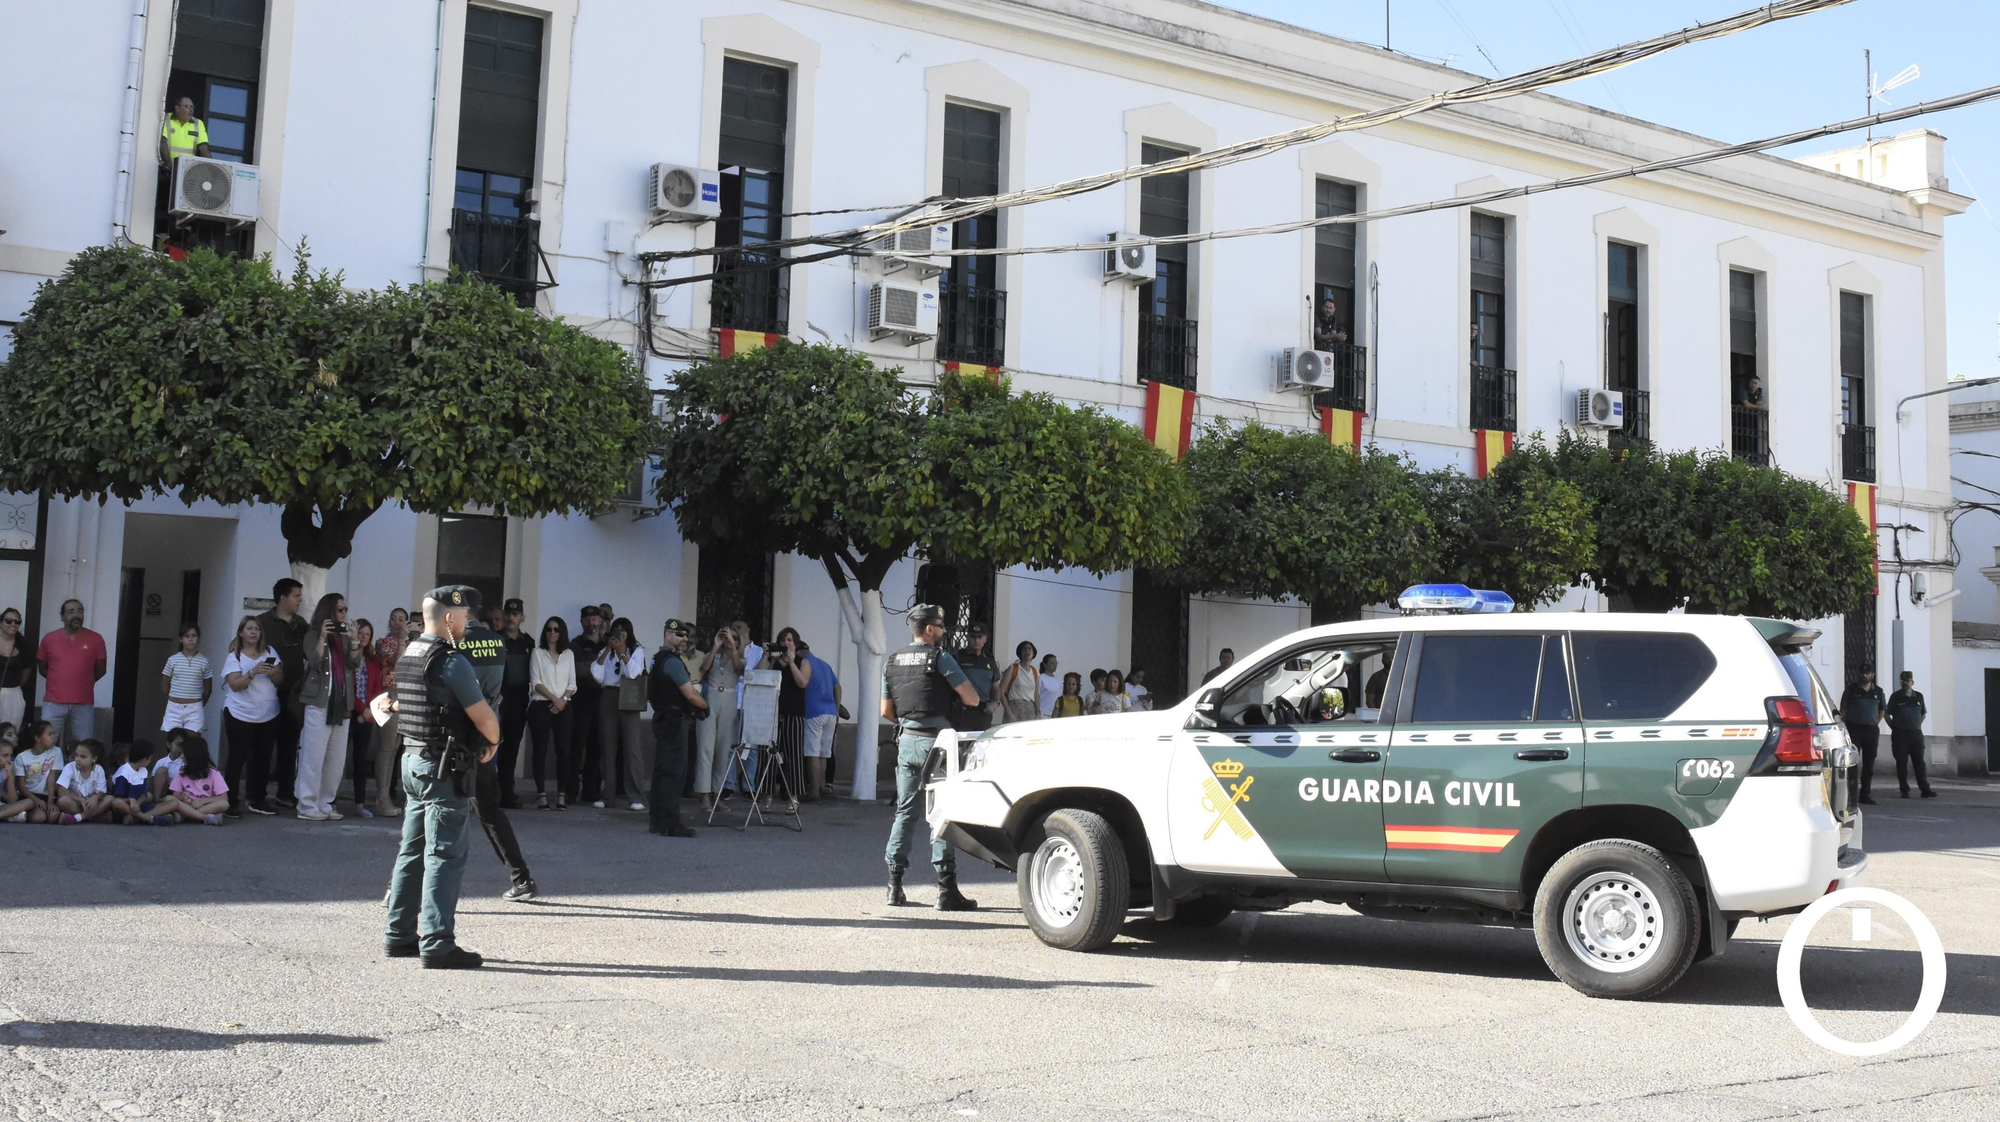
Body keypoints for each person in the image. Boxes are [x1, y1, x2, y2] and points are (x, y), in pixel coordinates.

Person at [379, 586, 503, 969]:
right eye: (464, 615)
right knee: (445, 854)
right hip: (442, 767)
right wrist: (494, 741)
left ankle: (399, 935)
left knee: (412, 850)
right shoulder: (451, 660)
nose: (468, 622)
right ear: (449, 617)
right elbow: (482, 715)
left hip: (413, 761)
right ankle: (437, 942)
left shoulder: (411, 652)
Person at [881, 604, 984, 911]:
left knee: (905, 812)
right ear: (929, 629)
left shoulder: (892, 660)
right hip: (937, 746)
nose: (942, 633)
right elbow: (972, 698)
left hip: (907, 743)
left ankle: (894, 887)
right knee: (942, 814)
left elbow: (886, 711)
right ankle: (946, 890)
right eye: (940, 627)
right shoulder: (941, 658)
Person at [458, 602, 539, 903]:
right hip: (486, 734)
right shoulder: (497, 641)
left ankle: (399, 888)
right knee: (490, 811)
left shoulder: (456, 643)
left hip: (460, 736)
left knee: (431, 812)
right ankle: (521, 878)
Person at [293, 593, 356, 821]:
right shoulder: (312, 635)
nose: (343, 613)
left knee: (335, 759)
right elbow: (314, 661)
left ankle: (326, 801)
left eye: (345, 609)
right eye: (340, 609)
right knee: (313, 757)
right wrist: (321, 636)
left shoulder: (345, 638)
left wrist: (355, 639)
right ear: (328, 610)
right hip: (319, 703)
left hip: (342, 705)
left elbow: (354, 662)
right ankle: (306, 804)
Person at [219, 615, 284, 818]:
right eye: (249, 628)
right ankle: (230, 801)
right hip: (239, 714)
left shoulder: (270, 652)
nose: (254, 632)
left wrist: (273, 672)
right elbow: (235, 685)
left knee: (263, 759)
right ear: (241, 633)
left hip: (268, 714)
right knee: (237, 758)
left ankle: (257, 799)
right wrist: (253, 672)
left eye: (257, 629)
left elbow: (281, 679)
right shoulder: (235, 657)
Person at [648, 619, 708, 837]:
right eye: (680, 635)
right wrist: (705, 706)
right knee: (674, 773)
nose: (684, 639)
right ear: (667, 635)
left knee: (662, 772)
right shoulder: (672, 661)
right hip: (674, 721)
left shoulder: (658, 659)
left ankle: (657, 820)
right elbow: (689, 693)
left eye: (686, 636)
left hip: (663, 718)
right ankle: (670, 822)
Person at [256, 579, 309, 809]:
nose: (300, 600)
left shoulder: (301, 624)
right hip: (267, 693)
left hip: (295, 693)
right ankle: (256, 793)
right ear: (283, 598)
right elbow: (241, 646)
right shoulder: (262, 622)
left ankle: (285, 792)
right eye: (296, 595)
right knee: (264, 744)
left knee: (290, 744)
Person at [593, 617, 649, 810]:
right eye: (616, 631)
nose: (619, 634)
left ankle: (636, 796)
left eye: (623, 631)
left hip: (629, 697)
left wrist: (623, 652)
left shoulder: (637, 650)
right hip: (609, 696)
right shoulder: (605, 651)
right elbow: (597, 675)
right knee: (607, 747)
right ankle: (607, 795)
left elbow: (633, 673)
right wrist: (609, 650)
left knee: (632, 748)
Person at [37, 599, 107, 749]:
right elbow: (42, 667)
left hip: (83, 702)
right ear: (62, 616)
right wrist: (58, 680)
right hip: (53, 701)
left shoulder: (96, 639)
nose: (76, 614)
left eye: (80, 611)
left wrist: (84, 681)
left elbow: (101, 669)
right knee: (45, 743)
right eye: (71, 612)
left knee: (85, 745)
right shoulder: (49, 639)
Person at [527, 616, 576, 811]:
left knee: (563, 750)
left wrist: (562, 700)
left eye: (556, 630)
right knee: (540, 750)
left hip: (564, 706)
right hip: (541, 705)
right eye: (549, 629)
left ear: (562, 632)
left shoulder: (569, 654)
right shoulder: (537, 653)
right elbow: (536, 681)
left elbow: (572, 683)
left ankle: (561, 794)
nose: (552, 633)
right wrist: (554, 699)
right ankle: (541, 794)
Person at [693, 623, 744, 810]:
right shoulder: (713, 656)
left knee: (723, 749)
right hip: (710, 698)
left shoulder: (740, 658)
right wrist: (715, 645)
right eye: (727, 637)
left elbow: (739, 668)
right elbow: (703, 669)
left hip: (729, 700)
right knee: (706, 748)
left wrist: (734, 647)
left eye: (734, 637)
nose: (729, 641)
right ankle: (704, 793)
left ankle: (717, 792)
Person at [369, 608, 410, 819]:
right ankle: (382, 797)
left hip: (406, 694)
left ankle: (391, 795)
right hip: (388, 694)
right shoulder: (384, 643)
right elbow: (395, 663)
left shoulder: (413, 643)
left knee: (397, 747)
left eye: (401, 619)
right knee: (386, 747)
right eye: (393, 619)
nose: (397, 623)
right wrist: (402, 641)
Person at [496, 598, 534, 809]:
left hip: (519, 699)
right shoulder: (496, 640)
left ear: (522, 618)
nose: (511, 618)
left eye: (515, 614)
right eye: (509, 614)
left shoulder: (528, 642)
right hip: (500, 698)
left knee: (511, 749)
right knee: (493, 747)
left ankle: (507, 793)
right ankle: (493, 792)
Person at [767, 627, 809, 805]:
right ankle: (767, 796)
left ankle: (794, 797)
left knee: (793, 755)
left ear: (795, 643)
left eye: (790, 640)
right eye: (783, 640)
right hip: (773, 713)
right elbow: (761, 675)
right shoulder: (774, 661)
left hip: (794, 712)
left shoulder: (803, 662)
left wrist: (791, 663)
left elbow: (802, 683)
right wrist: (765, 655)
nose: (786, 643)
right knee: (768, 755)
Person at [569, 606, 607, 805]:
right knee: (576, 746)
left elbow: (609, 671)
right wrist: (598, 671)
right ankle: (571, 790)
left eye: (595, 619)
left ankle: (591, 790)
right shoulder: (575, 644)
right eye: (588, 620)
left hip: (601, 700)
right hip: (581, 699)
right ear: (582, 622)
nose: (592, 623)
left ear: (600, 621)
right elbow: (576, 670)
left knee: (596, 748)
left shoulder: (607, 644)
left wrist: (591, 668)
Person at [349, 618, 384, 817]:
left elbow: (376, 689)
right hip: (350, 712)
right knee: (337, 761)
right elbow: (347, 687)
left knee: (360, 761)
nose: (363, 637)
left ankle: (359, 804)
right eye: (361, 633)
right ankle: (331, 801)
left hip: (366, 715)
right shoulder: (349, 657)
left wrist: (367, 712)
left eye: (367, 634)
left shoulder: (372, 660)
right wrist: (361, 709)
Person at [798, 638, 840, 800]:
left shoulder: (805, 664)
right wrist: (836, 709)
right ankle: (820, 786)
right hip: (830, 712)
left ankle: (813, 792)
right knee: (824, 754)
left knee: (812, 753)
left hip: (814, 712)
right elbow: (838, 687)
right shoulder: (824, 664)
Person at [1839, 668, 1886, 805]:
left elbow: (1882, 709)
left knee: (1869, 764)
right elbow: (1843, 709)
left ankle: (1865, 793)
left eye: (1867, 673)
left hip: (1871, 730)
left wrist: (1875, 722)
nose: (1864, 675)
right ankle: (1849, 794)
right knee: (1851, 763)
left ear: (1872, 675)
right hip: (1854, 729)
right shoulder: (1851, 690)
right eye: (1862, 673)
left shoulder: (1878, 691)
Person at [1886, 671, 1935, 799]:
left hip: (1915, 734)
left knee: (1919, 762)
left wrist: (1916, 725)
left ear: (1912, 682)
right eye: (1903, 681)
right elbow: (1887, 714)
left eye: (1908, 681)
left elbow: (1923, 714)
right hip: (1900, 735)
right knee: (1901, 763)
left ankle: (1925, 789)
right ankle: (1904, 789)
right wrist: (1895, 727)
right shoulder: (1895, 697)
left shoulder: (1918, 696)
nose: (1905, 683)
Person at [158, 623, 212, 735]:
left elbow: (208, 689)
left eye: (194, 636)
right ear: (181, 639)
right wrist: (173, 699)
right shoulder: (173, 660)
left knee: (192, 743)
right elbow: (165, 684)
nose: (190, 639)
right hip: (174, 707)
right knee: (173, 741)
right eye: (187, 636)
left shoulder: (204, 661)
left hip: (195, 708)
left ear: (198, 639)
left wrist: (198, 705)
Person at [110, 740, 177, 826]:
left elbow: (143, 794)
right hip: (125, 807)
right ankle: (148, 818)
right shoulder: (123, 772)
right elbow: (118, 797)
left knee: (174, 803)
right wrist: (131, 801)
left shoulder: (143, 771)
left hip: (138, 805)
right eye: (150, 758)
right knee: (116, 802)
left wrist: (137, 804)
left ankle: (137, 817)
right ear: (144, 759)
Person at [166, 735, 229, 826]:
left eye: (184, 754)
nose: (182, 757)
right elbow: (175, 794)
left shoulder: (213, 773)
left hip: (204, 806)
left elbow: (223, 798)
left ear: (193, 755)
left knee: (224, 804)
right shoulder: (182, 771)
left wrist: (203, 801)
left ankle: (185, 815)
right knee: (169, 799)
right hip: (187, 804)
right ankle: (206, 817)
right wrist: (183, 797)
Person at [12, 720, 61, 823]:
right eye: (49, 734)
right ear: (38, 738)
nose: (53, 737)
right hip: (29, 795)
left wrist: (50, 802)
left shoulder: (56, 752)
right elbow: (21, 786)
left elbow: (51, 779)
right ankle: (24, 814)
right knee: (39, 818)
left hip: (46, 794)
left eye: (54, 734)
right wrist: (36, 800)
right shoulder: (22, 757)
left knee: (53, 816)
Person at [954, 625, 998, 734]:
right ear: (968, 638)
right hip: (963, 711)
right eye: (973, 637)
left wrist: (995, 703)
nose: (976, 640)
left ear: (985, 639)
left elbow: (996, 688)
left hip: (984, 711)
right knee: (963, 746)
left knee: (983, 745)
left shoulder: (990, 660)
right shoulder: (959, 657)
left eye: (980, 637)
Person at [55, 739, 112, 824]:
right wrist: (81, 800)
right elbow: (61, 792)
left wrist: (95, 798)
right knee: (62, 801)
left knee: (109, 799)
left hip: (92, 805)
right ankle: (95, 817)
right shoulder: (69, 767)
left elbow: (102, 791)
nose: (78, 759)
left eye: (83, 756)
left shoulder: (98, 769)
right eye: (76, 755)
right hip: (76, 803)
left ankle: (79, 817)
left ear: (94, 759)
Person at [0, 607, 34, 730]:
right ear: (1, 622)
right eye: (9, 621)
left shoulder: (23, 646)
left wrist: (14, 687)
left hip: (13, 694)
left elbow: (26, 671)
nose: (13, 624)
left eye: (17, 621)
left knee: (10, 732)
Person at [158, 95, 210, 166]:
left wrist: (209, 168)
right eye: (188, 107)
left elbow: (204, 149)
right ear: (177, 108)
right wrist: (170, 166)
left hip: (188, 171)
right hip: (167, 169)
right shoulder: (166, 119)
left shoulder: (198, 123)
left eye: (192, 107)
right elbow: (163, 144)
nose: (191, 110)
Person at [0, 732, 39, 824]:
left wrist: (10, 778)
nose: (9, 760)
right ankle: (10, 816)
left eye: (10, 755)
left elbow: (12, 800)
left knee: (29, 802)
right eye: (5, 755)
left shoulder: (5, 771)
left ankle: (3, 815)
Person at [998, 641, 1040, 724]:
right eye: (1024, 649)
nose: (1027, 651)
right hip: (1014, 708)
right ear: (1020, 653)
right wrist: (1008, 712)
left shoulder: (1035, 672)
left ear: (1033, 653)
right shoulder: (1013, 669)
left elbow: (1036, 695)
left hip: (1030, 710)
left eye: (1029, 649)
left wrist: (1038, 712)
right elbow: (1001, 691)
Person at [1036, 653, 1062, 718]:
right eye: (1052, 663)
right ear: (1045, 664)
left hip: (1056, 715)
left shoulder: (1058, 680)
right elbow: (1036, 695)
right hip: (1044, 714)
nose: (1055, 665)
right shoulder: (1040, 678)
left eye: (1056, 663)